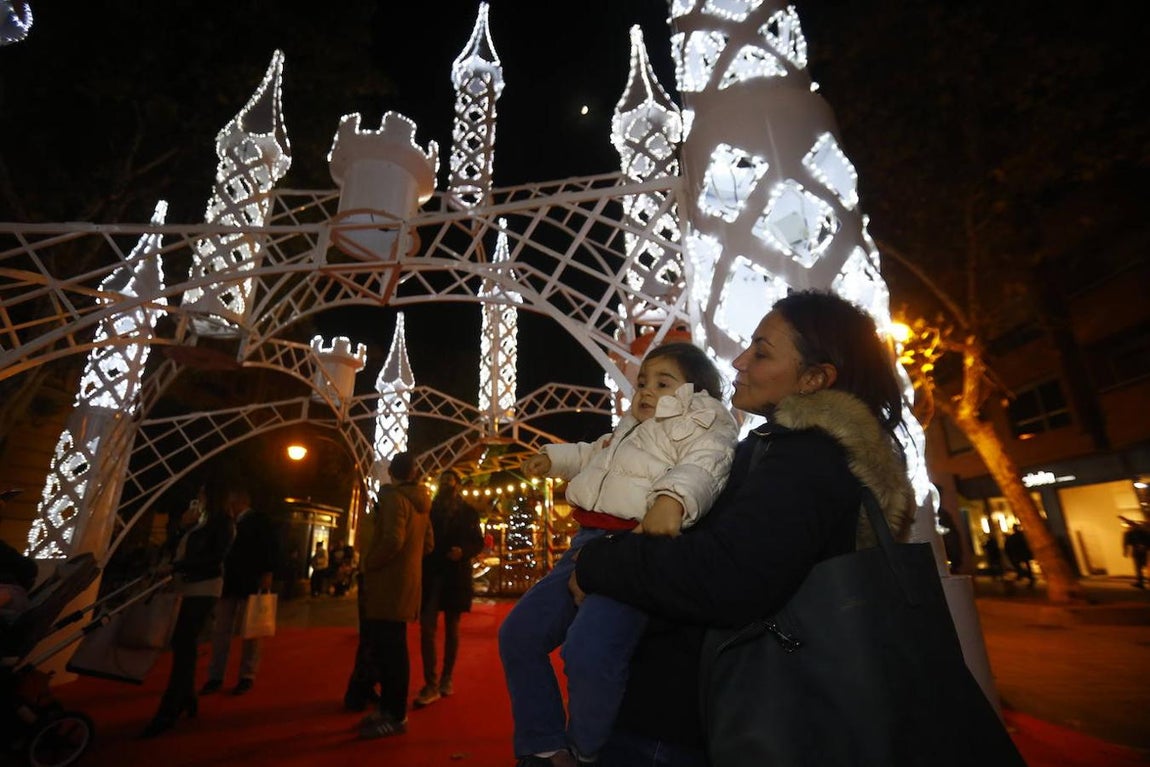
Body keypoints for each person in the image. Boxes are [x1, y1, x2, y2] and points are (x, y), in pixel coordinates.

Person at [566, 290, 917, 766]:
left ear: (815, 378)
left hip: (684, 721)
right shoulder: (792, 452)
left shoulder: (805, 458)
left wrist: (597, 561)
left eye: (761, 351)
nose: (739, 360)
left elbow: (728, 575)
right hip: (709, 711)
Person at [499, 341, 740, 766]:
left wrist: (673, 499)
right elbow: (593, 454)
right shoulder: (630, 427)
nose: (646, 390)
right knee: (518, 634)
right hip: (584, 544)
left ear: (696, 391)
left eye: (663, 383)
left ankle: (583, 750)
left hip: (633, 551)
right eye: (643, 381)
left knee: (590, 651)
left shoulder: (706, 421)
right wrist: (551, 458)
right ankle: (543, 742)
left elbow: (707, 464)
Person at [350, 451, 434, 739]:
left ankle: (394, 714)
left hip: (386, 585)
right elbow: (428, 544)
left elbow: (392, 540)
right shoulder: (422, 503)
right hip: (408, 585)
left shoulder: (392, 498)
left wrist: (370, 563)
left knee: (389, 653)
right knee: (394, 649)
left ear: (392, 473)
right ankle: (390, 709)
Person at [141, 485, 236, 738]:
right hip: (183, 585)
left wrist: (178, 566)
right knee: (184, 644)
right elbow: (172, 546)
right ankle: (185, 696)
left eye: (203, 494)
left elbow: (216, 557)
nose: (199, 498)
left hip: (203, 587)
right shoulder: (197, 521)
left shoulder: (223, 522)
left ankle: (170, 708)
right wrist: (182, 527)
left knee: (184, 641)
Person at [413, 468, 485, 708]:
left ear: (457, 484)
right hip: (432, 574)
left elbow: (478, 541)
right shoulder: (429, 510)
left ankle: (446, 678)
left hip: (455, 575)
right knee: (427, 627)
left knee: (452, 628)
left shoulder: (468, 513)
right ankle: (431, 682)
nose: (447, 484)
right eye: (443, 481)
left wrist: (463, 552)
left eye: (450, 481)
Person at [200, 485, 279, 696]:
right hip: (230, 582)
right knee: (223, 631)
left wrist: (266, 573)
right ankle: (218, 675)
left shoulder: (258, 522)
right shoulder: (227, 522)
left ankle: (245, 675)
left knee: (249, 630)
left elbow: (269, 548)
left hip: (248, 581)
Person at [1004, 523, 1035, 587]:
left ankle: (1026, 575)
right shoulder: (1020, 536)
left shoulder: (1016, 537)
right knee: (1024, 564)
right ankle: (1027, 575)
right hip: (1021, 553)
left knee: (1021, 564)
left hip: (1020, 553)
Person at [1122, 520, 1150, 589]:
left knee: (1138, 567)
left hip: (1136, 551)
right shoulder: (1144, 531)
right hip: (1144, 550)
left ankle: (1140, 583)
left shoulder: (1128, 532)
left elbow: (1126, 543)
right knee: (1146, 566)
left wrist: (1125, 551)